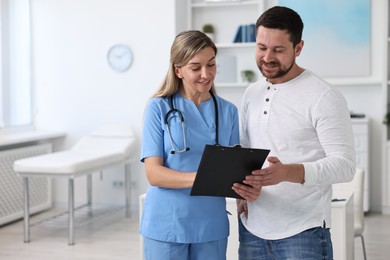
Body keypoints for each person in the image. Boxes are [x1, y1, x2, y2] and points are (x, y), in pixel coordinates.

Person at [231, 6, 356, 259]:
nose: (267, 57)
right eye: (261, 47)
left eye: (278, 50)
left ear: (298, 48)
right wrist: (241, 194)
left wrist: (288, 172)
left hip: (303, 233)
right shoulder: (251, 93)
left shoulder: (324, 96)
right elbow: (245, 151)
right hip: (251, 229)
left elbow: (345, 165)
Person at [139, 30, 260, 260]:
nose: (206, 74)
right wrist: (205, 177)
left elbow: (234, 169)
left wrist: (245, 191)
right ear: (178, 70)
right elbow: (154, 174)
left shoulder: (228, 111)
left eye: (211, 65)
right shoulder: (158, 108)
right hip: (167, 221)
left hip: (210, 223)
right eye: (195, 68)